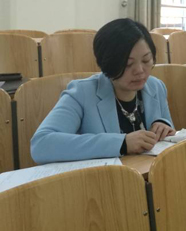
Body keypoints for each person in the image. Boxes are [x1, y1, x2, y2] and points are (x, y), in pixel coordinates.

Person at [31, 18, 175, 164]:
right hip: (103, 176)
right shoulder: (81, 94)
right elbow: (41, 145)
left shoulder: (156, 87)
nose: (139, 70)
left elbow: (168, 139)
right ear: (107, 64)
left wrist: (164, 126)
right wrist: (122, 143)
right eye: (128, 64)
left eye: (146, 60)